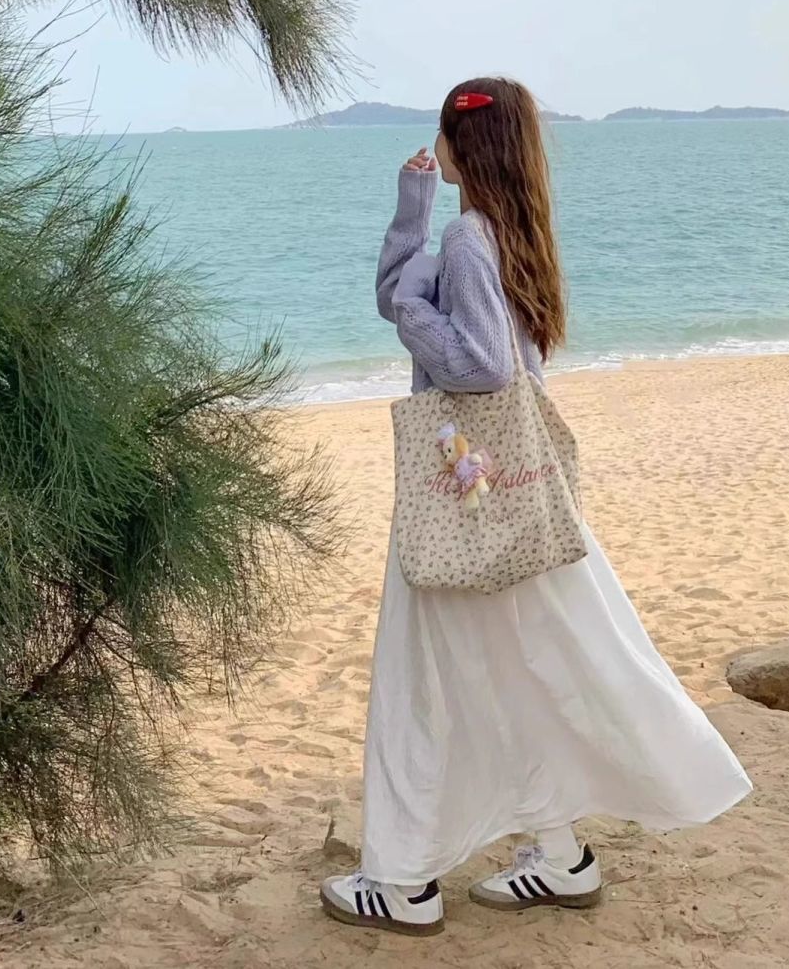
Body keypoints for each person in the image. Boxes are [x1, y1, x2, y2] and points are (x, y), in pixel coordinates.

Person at [320, 77, 752, 937]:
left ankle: (402, 882)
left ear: (462, 145)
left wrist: (411, 304)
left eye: (440, 133)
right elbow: (418, 307)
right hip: (509, 499)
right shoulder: (507, 231)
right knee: (514, 677)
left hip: (461, 501)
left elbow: (477, 363)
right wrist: (410, 214)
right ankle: (560, 857)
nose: (434, 146)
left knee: (420, 684)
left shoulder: (467, 240)